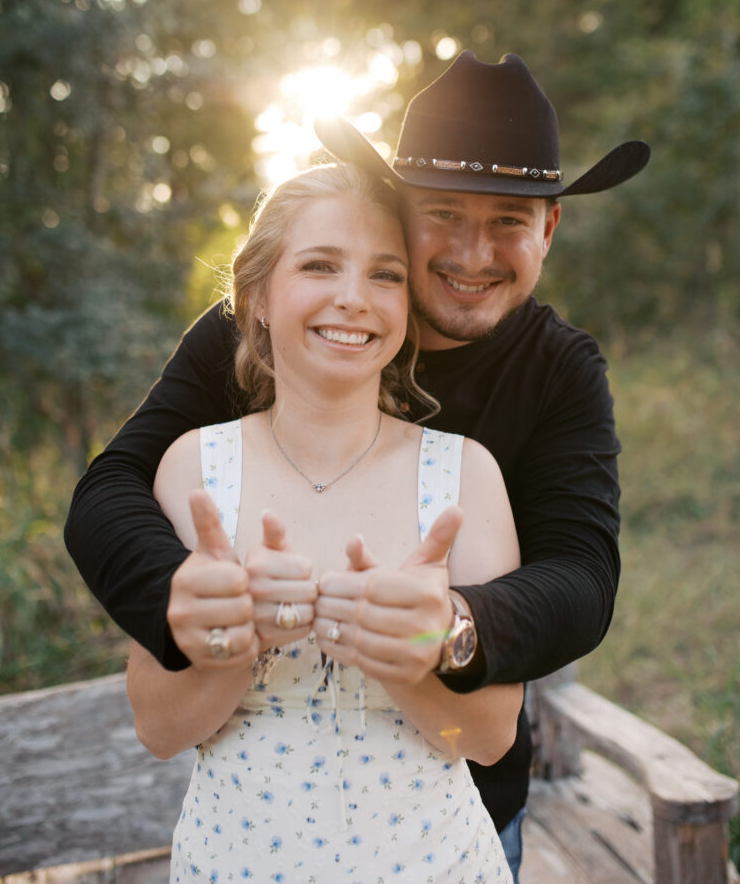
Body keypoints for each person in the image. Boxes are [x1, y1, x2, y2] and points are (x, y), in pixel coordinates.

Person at [65, 51, 650, 881]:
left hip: (457, 818)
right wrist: (189, 603)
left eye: (511, 220)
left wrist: (449, 626)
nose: (474, 253)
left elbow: (583, 576)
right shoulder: (250, 340)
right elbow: (110, 490)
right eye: (444, 215)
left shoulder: (551, 377)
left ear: (548, 231)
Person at [126, 162, 522, 881]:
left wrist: (406, 661)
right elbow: (158, 729)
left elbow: (491, 738)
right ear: (258, 296)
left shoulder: (466, 476)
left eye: (385, 275)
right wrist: (244, 639)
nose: (353, 299)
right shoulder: (195, 471)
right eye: (319, 265)